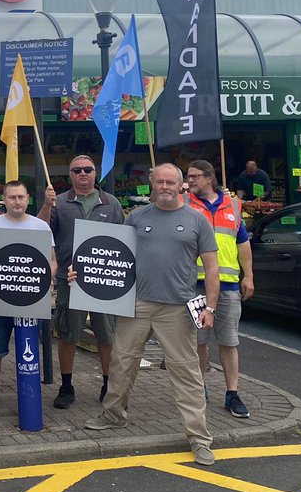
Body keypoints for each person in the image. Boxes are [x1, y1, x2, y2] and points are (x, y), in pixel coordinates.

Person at [86, 164, 221, 467]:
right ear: (151, 183)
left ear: (181, 185)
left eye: (170, 182)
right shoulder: (138, 217)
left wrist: (210, 308)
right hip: (137, 303)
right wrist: (84, 273)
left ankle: (199, 438)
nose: (164, 187)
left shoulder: (197, 221)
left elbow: (212, 268)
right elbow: (112, 255)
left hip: (177, 308)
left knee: (185, 372)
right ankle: (113, 415)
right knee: (122, 361)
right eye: (159, 182)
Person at [38, 155, 125, 407]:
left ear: (96, 173)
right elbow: (42, 231)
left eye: (88, 169)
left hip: (104, 281)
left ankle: (108, 385)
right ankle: (66, 386)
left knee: (107, 336)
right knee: (68, 334)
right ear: (70, 175)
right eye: (77, 170)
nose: (83, 174)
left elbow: (121, 243)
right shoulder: (60, 202)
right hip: (70, 280)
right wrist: (46, 204)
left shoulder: (111, 203)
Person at [0, 180, 57, 426]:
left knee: (29, 349)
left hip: (30, 298)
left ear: (28, 198)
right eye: (12, 197)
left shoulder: (40, 226)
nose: (17, 201)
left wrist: (46, 279)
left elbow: (52, 261)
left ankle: (30, 401)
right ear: (4, 200)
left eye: (21, 197)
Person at [185, 160, 255, 418]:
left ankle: (232, 393)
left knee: (229, 340)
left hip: (227, 284)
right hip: (195, 282)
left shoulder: (233, 205)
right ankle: (200, 386)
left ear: (209, 178)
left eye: (194, 177)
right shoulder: (185, 203)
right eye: (188, 177)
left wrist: (249, 276)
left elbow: (243, 244)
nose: (190, 180)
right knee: (199, 341)